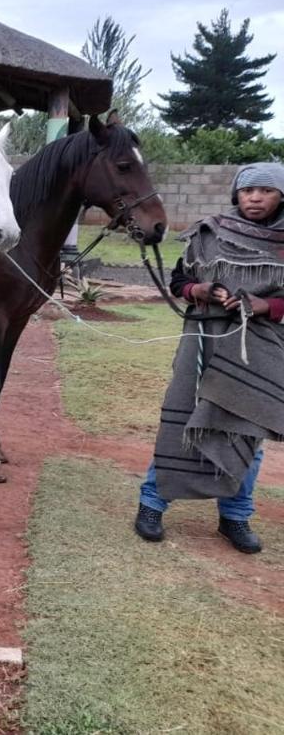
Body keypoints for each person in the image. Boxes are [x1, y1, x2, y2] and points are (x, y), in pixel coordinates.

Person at [134, 162, 284, 554]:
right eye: (248, 191)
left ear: (281, 196)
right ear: (236, 194)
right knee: (185, 418)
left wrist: (263, 304)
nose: (255, 197)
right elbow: (179, 282)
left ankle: (235, 514)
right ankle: (152, 502)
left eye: (266, 191)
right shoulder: (209, 231)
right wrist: (202, 289)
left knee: (246, 428)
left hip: (261, 346)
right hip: (205, 336)